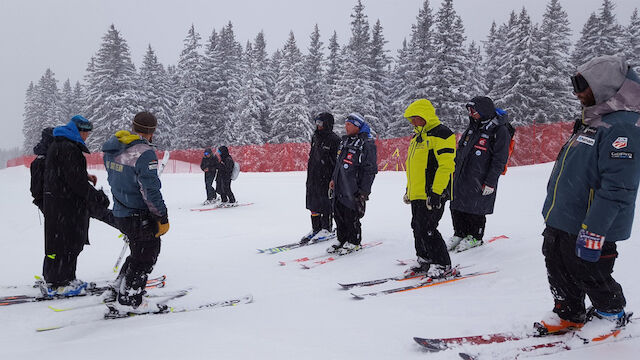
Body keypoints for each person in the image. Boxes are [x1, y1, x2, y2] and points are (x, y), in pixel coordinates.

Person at [537, 55, 640, 335]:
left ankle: (610, 313)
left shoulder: (623, 126)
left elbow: (619, 187)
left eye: (583, 85)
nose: (577, 93)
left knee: (590, 272)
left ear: (604, 85)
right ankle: (569, 312)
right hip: (565, 216)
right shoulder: (592, 120)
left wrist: (594, 231)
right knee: (556, 261)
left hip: (594, 222)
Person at [102, 111, 170, 314]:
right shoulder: (144, 152)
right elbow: (149, 189)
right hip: (137, 214)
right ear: (152, 131)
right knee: (147, 255)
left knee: (137, 251)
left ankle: (117, 290)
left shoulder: (114, 148)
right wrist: (161, 215)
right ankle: (131, 299)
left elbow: (117, 179)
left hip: (121, 211)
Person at [41, 115, 110, 297]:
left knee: (58, 243)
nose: (87, 136)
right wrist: (98, 197)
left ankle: (57, 279)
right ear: (79, 131)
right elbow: (76, 183)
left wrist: (84, 176)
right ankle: (62, 283)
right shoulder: (69, 148)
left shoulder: (60, 144)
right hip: (66, 205)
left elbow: (66, 173)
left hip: (58, 203)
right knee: (68, 243)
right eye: (86, 132)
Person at [447, 96, 511, 252]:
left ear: (484, 109)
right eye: (469, 110)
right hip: (463, 174)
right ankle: (459, 233)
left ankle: (475, 236)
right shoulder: (472, 127)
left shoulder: (499, 130)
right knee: (457, 204)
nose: (471, 113)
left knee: (476, 207)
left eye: (473, 110)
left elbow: (499, 159)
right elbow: (461, 150)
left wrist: (491, 182)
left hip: (481, 176)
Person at [402, 99, 456, 279]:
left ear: (425, 115)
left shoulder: (442, 134)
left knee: (428, 228)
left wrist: (436, 192)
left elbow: (446, 166)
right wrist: (409, 190)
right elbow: (413, 167)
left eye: (415, 118)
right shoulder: (417, 137)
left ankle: (443, 264)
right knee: (417, 227)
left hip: (433, 193)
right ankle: (424, 259)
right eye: (410, 119)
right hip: (418, 193)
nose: (412, 122)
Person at [326, 113, 377, 255]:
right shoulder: (345, 141)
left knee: (351, 215)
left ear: (357, 126)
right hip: (340, 185)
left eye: (349, 124)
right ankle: (341, 239)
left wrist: (364, 191)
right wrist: (333, 179)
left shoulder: (366, 143)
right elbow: (339, 164)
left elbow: (370, 169)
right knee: (338, 214)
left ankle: (354, 241)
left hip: (354, 187)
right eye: (345, 124)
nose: (345, 127)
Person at [301, 112, 341, 244]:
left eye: (321, 123)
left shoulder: (335, 139)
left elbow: (337, 161)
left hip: (327, 176)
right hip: (313, 175)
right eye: (316, 123)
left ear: (327, 124)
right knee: (313, 202)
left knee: (325, 202)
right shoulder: (315, 137)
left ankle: (326, 228)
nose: (318, 126)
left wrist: (334, 178)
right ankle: (316, 228)